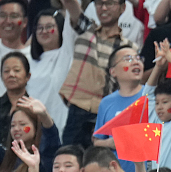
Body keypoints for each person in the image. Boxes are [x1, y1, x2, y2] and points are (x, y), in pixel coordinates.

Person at [56, 0, 138, 148]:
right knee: (70, 160)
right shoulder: (87, 30)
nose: (103, 8)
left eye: (110, 3)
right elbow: (70, 3)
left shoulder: (129, 49)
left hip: (106, 113)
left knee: (99, 165)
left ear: (123, 8)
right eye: (99, 3)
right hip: (78, 109)